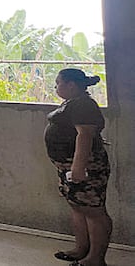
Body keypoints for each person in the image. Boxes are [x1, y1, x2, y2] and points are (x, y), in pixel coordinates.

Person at [44, 68, 111, 266]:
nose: (56, 87)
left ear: (71, 85)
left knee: (93, 211)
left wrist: (79, 168)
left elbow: (85, 136)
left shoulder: (84, 104)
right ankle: (81, 249)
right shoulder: (73, 103)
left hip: (84, 167)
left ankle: (95, 259)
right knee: (78, 207)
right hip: (68, 167)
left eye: (58, 83)